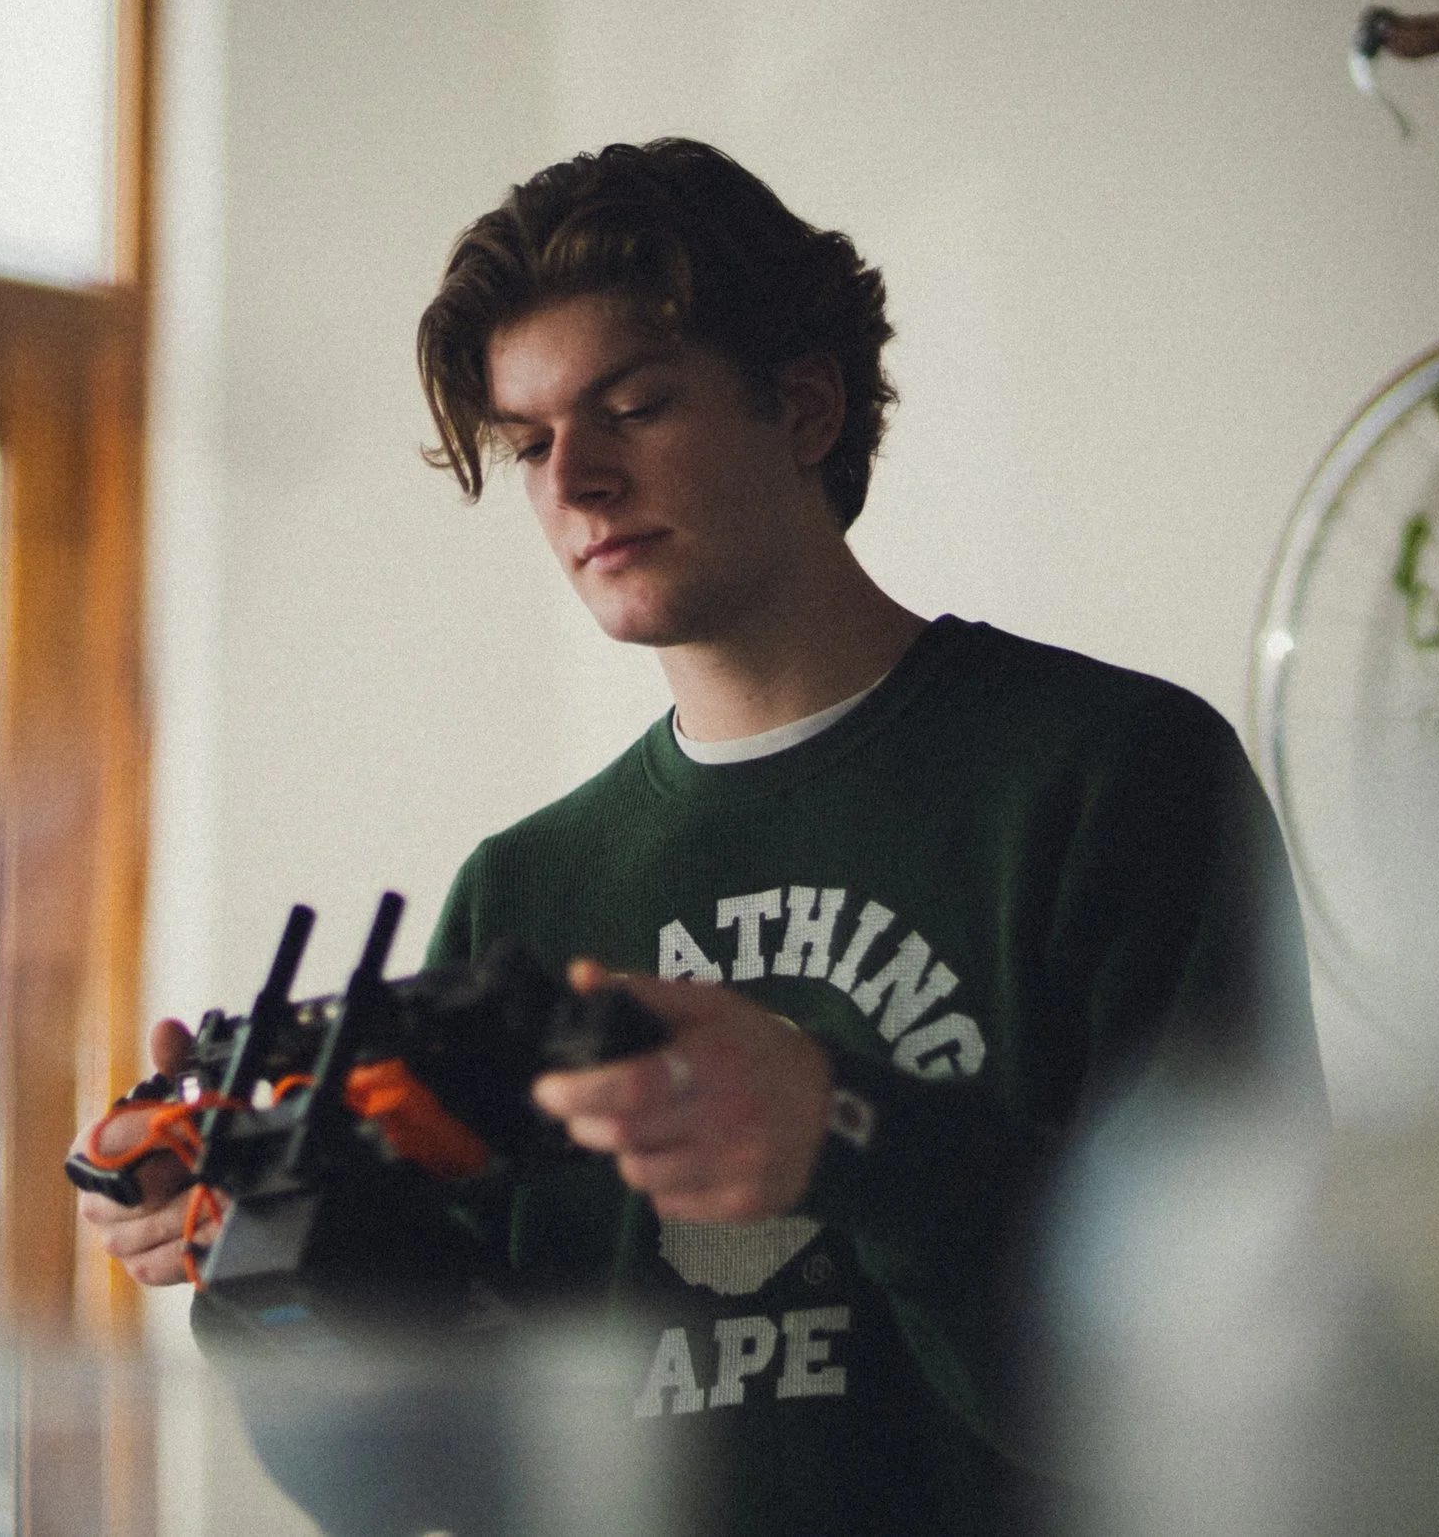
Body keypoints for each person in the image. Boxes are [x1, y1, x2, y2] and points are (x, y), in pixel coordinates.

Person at [81, 138, 1321, 1536]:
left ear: (802, 403)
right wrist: (264, 1246)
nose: (577, 482)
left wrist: (842, 1129)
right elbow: (442, 1475)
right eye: (533, 440)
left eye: (635, 405)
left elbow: (1240, 1373)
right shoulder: (527, 888)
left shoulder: (1113, 777)